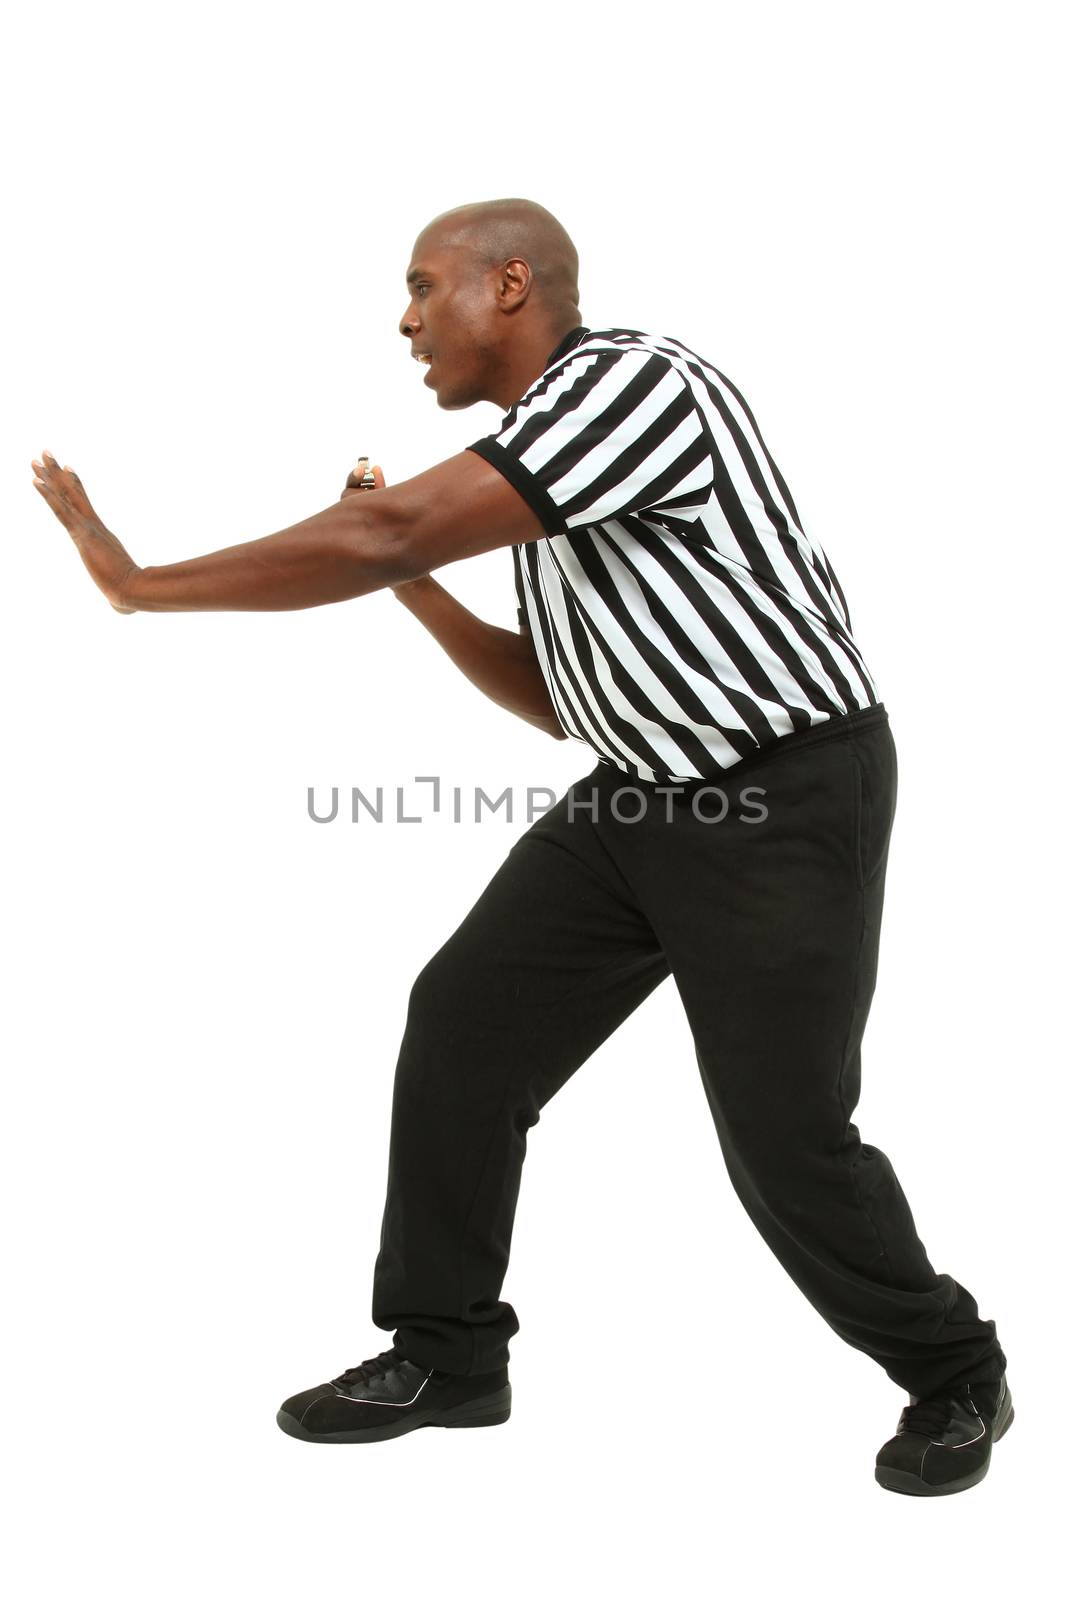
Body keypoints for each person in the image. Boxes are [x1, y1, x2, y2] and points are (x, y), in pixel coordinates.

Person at [31, 196, 1012, 1495]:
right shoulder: (542, 469)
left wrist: (138, 579)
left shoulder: (625, 386)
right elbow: (559, 695)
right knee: (464, 1024)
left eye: (421, 286)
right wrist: (417, 583)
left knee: (785, 1138)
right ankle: (449, 1354)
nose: (404, 319)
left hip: (784, 793)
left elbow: (383, 525)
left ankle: (956, 1373)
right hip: (643, 795)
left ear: (508, 287)